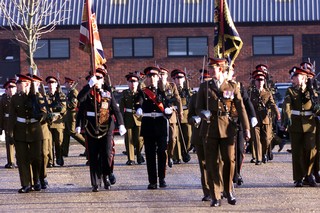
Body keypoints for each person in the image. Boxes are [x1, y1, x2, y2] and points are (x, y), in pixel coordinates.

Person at [196, 58, 250, 207]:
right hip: (210, 128)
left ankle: (228, 190)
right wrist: (202, 113)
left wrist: (246, 128)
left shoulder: (232, 86)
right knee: (212, 163)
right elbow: (197, 107)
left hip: (228, 128)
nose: (211, 70)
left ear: (221, 69)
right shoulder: (204, 87)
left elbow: (241, 108)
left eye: (214, 68)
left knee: (229, 161)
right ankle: (215, 195)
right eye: (210, 67)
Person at [76, 66, 126, 192]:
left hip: (106, 127)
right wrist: (78, 125)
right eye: (94, 78)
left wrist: (121, 124)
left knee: (106, 154)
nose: (96, 80)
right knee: (93, 156)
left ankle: (106, 176)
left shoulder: (107, 93)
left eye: (99, 78)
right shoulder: (87, 92)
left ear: (103, 80)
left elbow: (115, 109)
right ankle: (95, 183)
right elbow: (80, 102)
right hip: (91, 127)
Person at [135, 66, 172, 189]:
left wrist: (168, 110)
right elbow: (138, 102)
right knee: (150, 154)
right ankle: (152, 181)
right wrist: (139, 108)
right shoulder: (142, 92)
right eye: (149, 76)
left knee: (162, 152)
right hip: (148, 126)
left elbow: (168, 105)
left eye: (154, 76)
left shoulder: (164, 91)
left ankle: (162, 178)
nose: (152, 79)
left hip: (161, 125)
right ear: (146, 78)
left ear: (158, 77)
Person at [8, 74, 46, 193]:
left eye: (21, 84)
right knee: (22, 159)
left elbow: (45, 112)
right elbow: (12, 117)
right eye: (18, 84)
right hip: (20, 131)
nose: (19, 86)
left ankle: (37, 180)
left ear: (28, 85)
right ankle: (26, 184)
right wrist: (10, 134)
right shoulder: (15, 98)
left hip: (35, 130)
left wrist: (38, 114)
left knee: (36, 158)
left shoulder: (37, 96)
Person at [283, 66, 318, 187]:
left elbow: (317, 105)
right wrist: (287, 117)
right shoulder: (290, 91)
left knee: (310, 148)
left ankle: (309, 174)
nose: (294, 79)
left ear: (304, 78)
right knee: (297, 152)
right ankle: (298, 177)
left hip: (309, 124)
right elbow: (287, 104)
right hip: (296, 124)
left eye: (297, 76)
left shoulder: (312, 91)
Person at [187, 68, 211, 201]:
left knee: (217, 162)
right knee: (203, 164)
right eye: (202, 80)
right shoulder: (194, 97)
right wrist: (193, 119)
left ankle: (222, 188)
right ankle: (207, 191)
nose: (204, 83)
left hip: (214, 133)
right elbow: (189, 116)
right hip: (199, 133)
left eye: (206, 80)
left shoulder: (216, 96)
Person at [248, 70, 280, 165]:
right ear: (255, 81)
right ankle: (258, 158)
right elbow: (248, 105)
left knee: (266, 139)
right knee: (256, 139)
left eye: (261, 80)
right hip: (255, 119)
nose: (260, 81)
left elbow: (272, 104)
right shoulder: (251, 93)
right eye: (258, 80)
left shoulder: (267, 93)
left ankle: (264, 153)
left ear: (264, 81)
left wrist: (277, 113)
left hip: (265, 118)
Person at [26, 73, 50, 189]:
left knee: (44, 155)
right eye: (31, 83)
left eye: (35, 83)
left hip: (42, 128)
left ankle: (42, 176)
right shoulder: (25, 97)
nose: (33, 85)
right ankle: (35, 179)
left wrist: (40, 116)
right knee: (33, 156)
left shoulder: (41, 96)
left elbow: (45, 112)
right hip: (29, 130)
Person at [158, 67, 183, 168]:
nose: (161, 76)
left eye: (163, 74)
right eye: (160, 74)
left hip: (171, 116)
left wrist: (180, 112)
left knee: (173, 138)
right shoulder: (155, 86)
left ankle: (171, 155)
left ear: (167, 75)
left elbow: (178, 99)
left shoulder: (172, 86)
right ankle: (164, 158)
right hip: (160, 116)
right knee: (162, 140)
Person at [119, 73, 144, 165]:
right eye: (131, 81)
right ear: (128, 83)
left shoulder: (141, 93)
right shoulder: (125, 93)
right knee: (129, 138)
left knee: (139, 139)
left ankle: (138, 154)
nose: (133, 83)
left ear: (138, 83)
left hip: (139, 118)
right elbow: (121, 109)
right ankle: (131, 158)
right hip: (128, 117)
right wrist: (121, 122)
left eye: (135, 81)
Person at [171, 69, 192, 163]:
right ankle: (177, 157)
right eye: (177, 78)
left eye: (181, 78)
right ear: (174, 79)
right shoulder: (171, 90)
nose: (179, 80)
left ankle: (185, 151)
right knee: (177, 137)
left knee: (188, 136)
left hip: (186, 115)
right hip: (175, 114)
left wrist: (188, 93)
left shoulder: (188, 90)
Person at [45, 76, 67, 167]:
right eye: (49, 83)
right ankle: (50, 161)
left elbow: (63, 108)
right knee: (49, 143)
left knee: (58, 142)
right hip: (48, 123)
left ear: (56, 84)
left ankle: (59, 157)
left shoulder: (61, 95)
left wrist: (55, 114)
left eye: (53, 83)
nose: (51, 85)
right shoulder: (45, 96)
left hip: (58, 122)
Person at [62, 77, 86, 157]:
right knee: (66, 133)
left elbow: (73, 104)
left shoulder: (74, 92)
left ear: (70, 83)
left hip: (72, 115)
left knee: (73, 132)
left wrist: (65, 104)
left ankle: (87, 146)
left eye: (66, 83)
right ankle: (64, 151)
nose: (65, 84)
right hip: (68, 115)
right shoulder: (70, 92)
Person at [0, 79, 17, 169]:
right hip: (7, 122)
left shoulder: (19, 98)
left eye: (12, 87)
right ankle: (11, 161)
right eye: (9, 88)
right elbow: (1, 114)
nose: (11, 89)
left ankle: (20, 159)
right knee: (9, 142)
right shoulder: (3, 99)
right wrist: (1, 126)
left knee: (19, 142)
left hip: (18, 123)